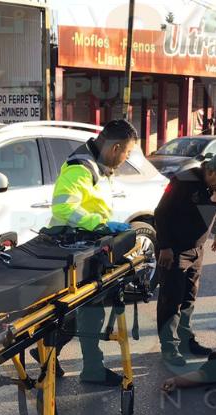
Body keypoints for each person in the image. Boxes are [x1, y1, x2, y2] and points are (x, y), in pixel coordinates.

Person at [47, 119, 138, 386]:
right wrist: (99, 224)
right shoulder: (81, 168)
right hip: (72, 248)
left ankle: (82, 366)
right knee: (79, 313)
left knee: (87, 312)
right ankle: (75, 365)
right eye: (128, 153)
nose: (127, 158)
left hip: (87, 246)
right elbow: (63, 209)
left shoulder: (98, 166)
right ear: (116, 147)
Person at [154, 152, 216, 367]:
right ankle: (169, 347)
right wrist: (165, 246)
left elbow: (212, 210)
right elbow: (161, 213)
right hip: (173, 250)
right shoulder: (183, 181)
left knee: (189, 298)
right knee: (171, 300)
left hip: (197, 249)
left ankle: (186, 341)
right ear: (211, 171)